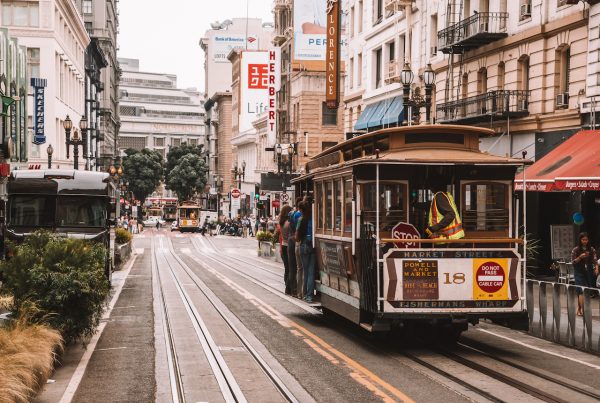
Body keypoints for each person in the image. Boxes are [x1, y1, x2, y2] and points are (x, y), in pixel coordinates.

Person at [571, 232, 598, 316]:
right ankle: (581, 309)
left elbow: (595, 260)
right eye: (583, 239)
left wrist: (596, 268)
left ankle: (580, 308)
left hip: (588, 272)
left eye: (586, 239)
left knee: (586, 290)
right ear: (580, 240)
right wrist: (580, 257)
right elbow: (573, 262)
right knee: (580, 290)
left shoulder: (591, 249)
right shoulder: (575, 250)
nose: (585, 241)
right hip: (578, 271)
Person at [296, 201, 315, 303]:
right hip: (312, 245)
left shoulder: (300, 219)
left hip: (303, 245)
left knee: (305, 271)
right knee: (311, 271)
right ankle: (310, 296)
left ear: (302, 210)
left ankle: (305, 294)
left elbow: (297, 235)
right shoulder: (314, 218)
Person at [288, 197, 303, 297]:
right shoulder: (300, 216)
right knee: (300, 268)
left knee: (293, 267)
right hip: (297, 241)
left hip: (292, 241)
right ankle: (298, 291)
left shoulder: (292, 214)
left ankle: (293, 290)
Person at [279, 205, 293, 295]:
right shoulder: (289, 223)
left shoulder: (281, 222)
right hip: (288, 246)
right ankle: (288, 288)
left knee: (286, 268)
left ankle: (286, 285)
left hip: (283, 246)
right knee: (291, 268)